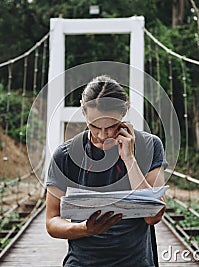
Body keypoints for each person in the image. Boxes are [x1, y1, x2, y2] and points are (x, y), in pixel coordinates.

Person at [45, 75, 168, 267]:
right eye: (94, 126)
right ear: (83, 112)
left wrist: (129, 159)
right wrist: (85, 229)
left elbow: (154, 216)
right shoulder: (65, 155)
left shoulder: (150, 146)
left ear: (125, 111)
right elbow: (52, 222)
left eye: (111, 127)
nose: (103, 135)